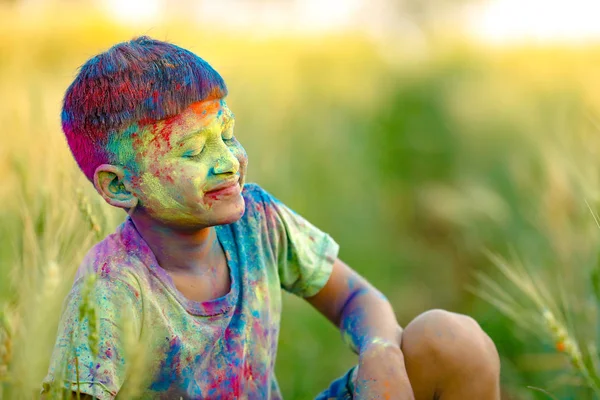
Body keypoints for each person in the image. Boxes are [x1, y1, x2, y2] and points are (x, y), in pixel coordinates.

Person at [41, 36, 500, 400]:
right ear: (120, 186)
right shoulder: (114, 288)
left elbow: (355, 297)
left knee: (451, 339)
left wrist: (380, 353)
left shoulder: (256, 221)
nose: (228, 161)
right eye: (194, 150)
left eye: (227, 134)